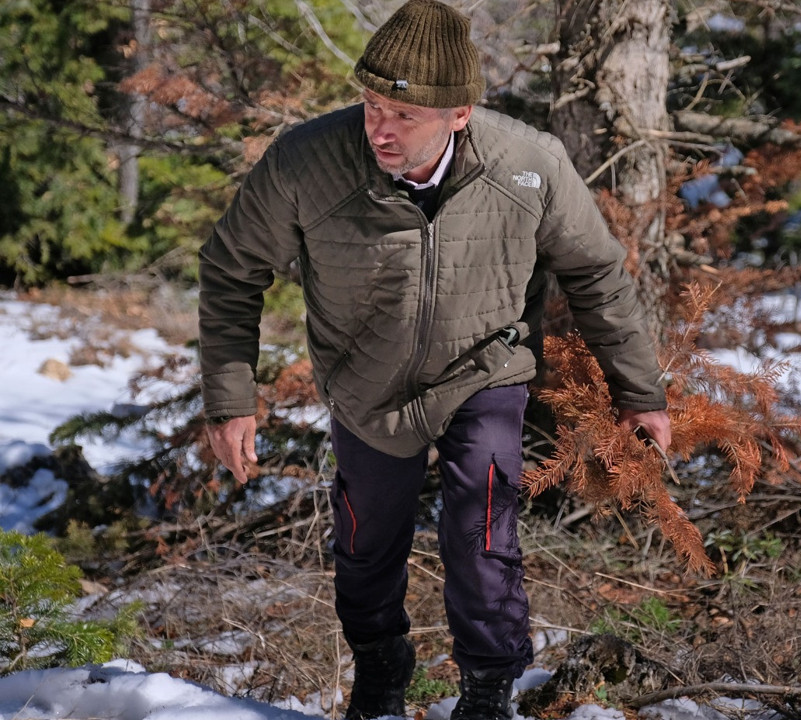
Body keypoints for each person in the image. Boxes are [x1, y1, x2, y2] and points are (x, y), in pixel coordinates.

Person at [197, 1, 672, 718]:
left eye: (404, 115)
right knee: (365, 541)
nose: (380, 129)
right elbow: (231, 269)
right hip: (367, 381)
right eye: (371, 105)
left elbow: (596, 274)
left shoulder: (529, 165)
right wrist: (232, 399)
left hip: (484, 369)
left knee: (482, 530)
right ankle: (380, 666)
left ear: (459, 114)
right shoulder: (306, 161)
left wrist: (639, 392)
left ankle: (488, 687)